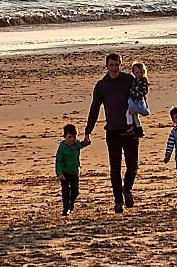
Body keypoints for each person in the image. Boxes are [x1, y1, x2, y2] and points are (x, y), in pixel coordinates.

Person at [83, 51, 140, 211]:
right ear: (107, 66)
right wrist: (88, 130)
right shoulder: (101, 85)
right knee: (115, 169)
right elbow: (94, 108)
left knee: (132, 166)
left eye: (116, 65)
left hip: (130, 130)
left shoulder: (128, 80)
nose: (114, 68)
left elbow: (141, 92)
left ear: (120, 65)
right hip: (113, 131)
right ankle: (118, 201)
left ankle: (127, 189)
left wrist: (139, 109)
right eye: (111, 65)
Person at [55, 122, 82, 217]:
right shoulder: (62, 148)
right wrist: (59, 173)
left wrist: (87, 139)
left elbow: (84, 144)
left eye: (74, 137)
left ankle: (71, 204)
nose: (72, 139)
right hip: (65, 173)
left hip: (74, 172)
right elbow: (58, 161)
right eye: (70, 137)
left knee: (75, 191)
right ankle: (65, 209)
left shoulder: (76, 145)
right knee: (65, 191)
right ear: (65, 136)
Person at [127, 59, 151, 136]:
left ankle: (132, 127)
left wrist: (138, 94)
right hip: (133, 98)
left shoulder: (143, 80)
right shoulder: (134, 80)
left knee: (140, 111)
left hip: (138, 99)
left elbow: (144, 91)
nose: (139, 74)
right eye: (137, 72)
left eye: (141, 72)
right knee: (133, 114)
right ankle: (137, 129)